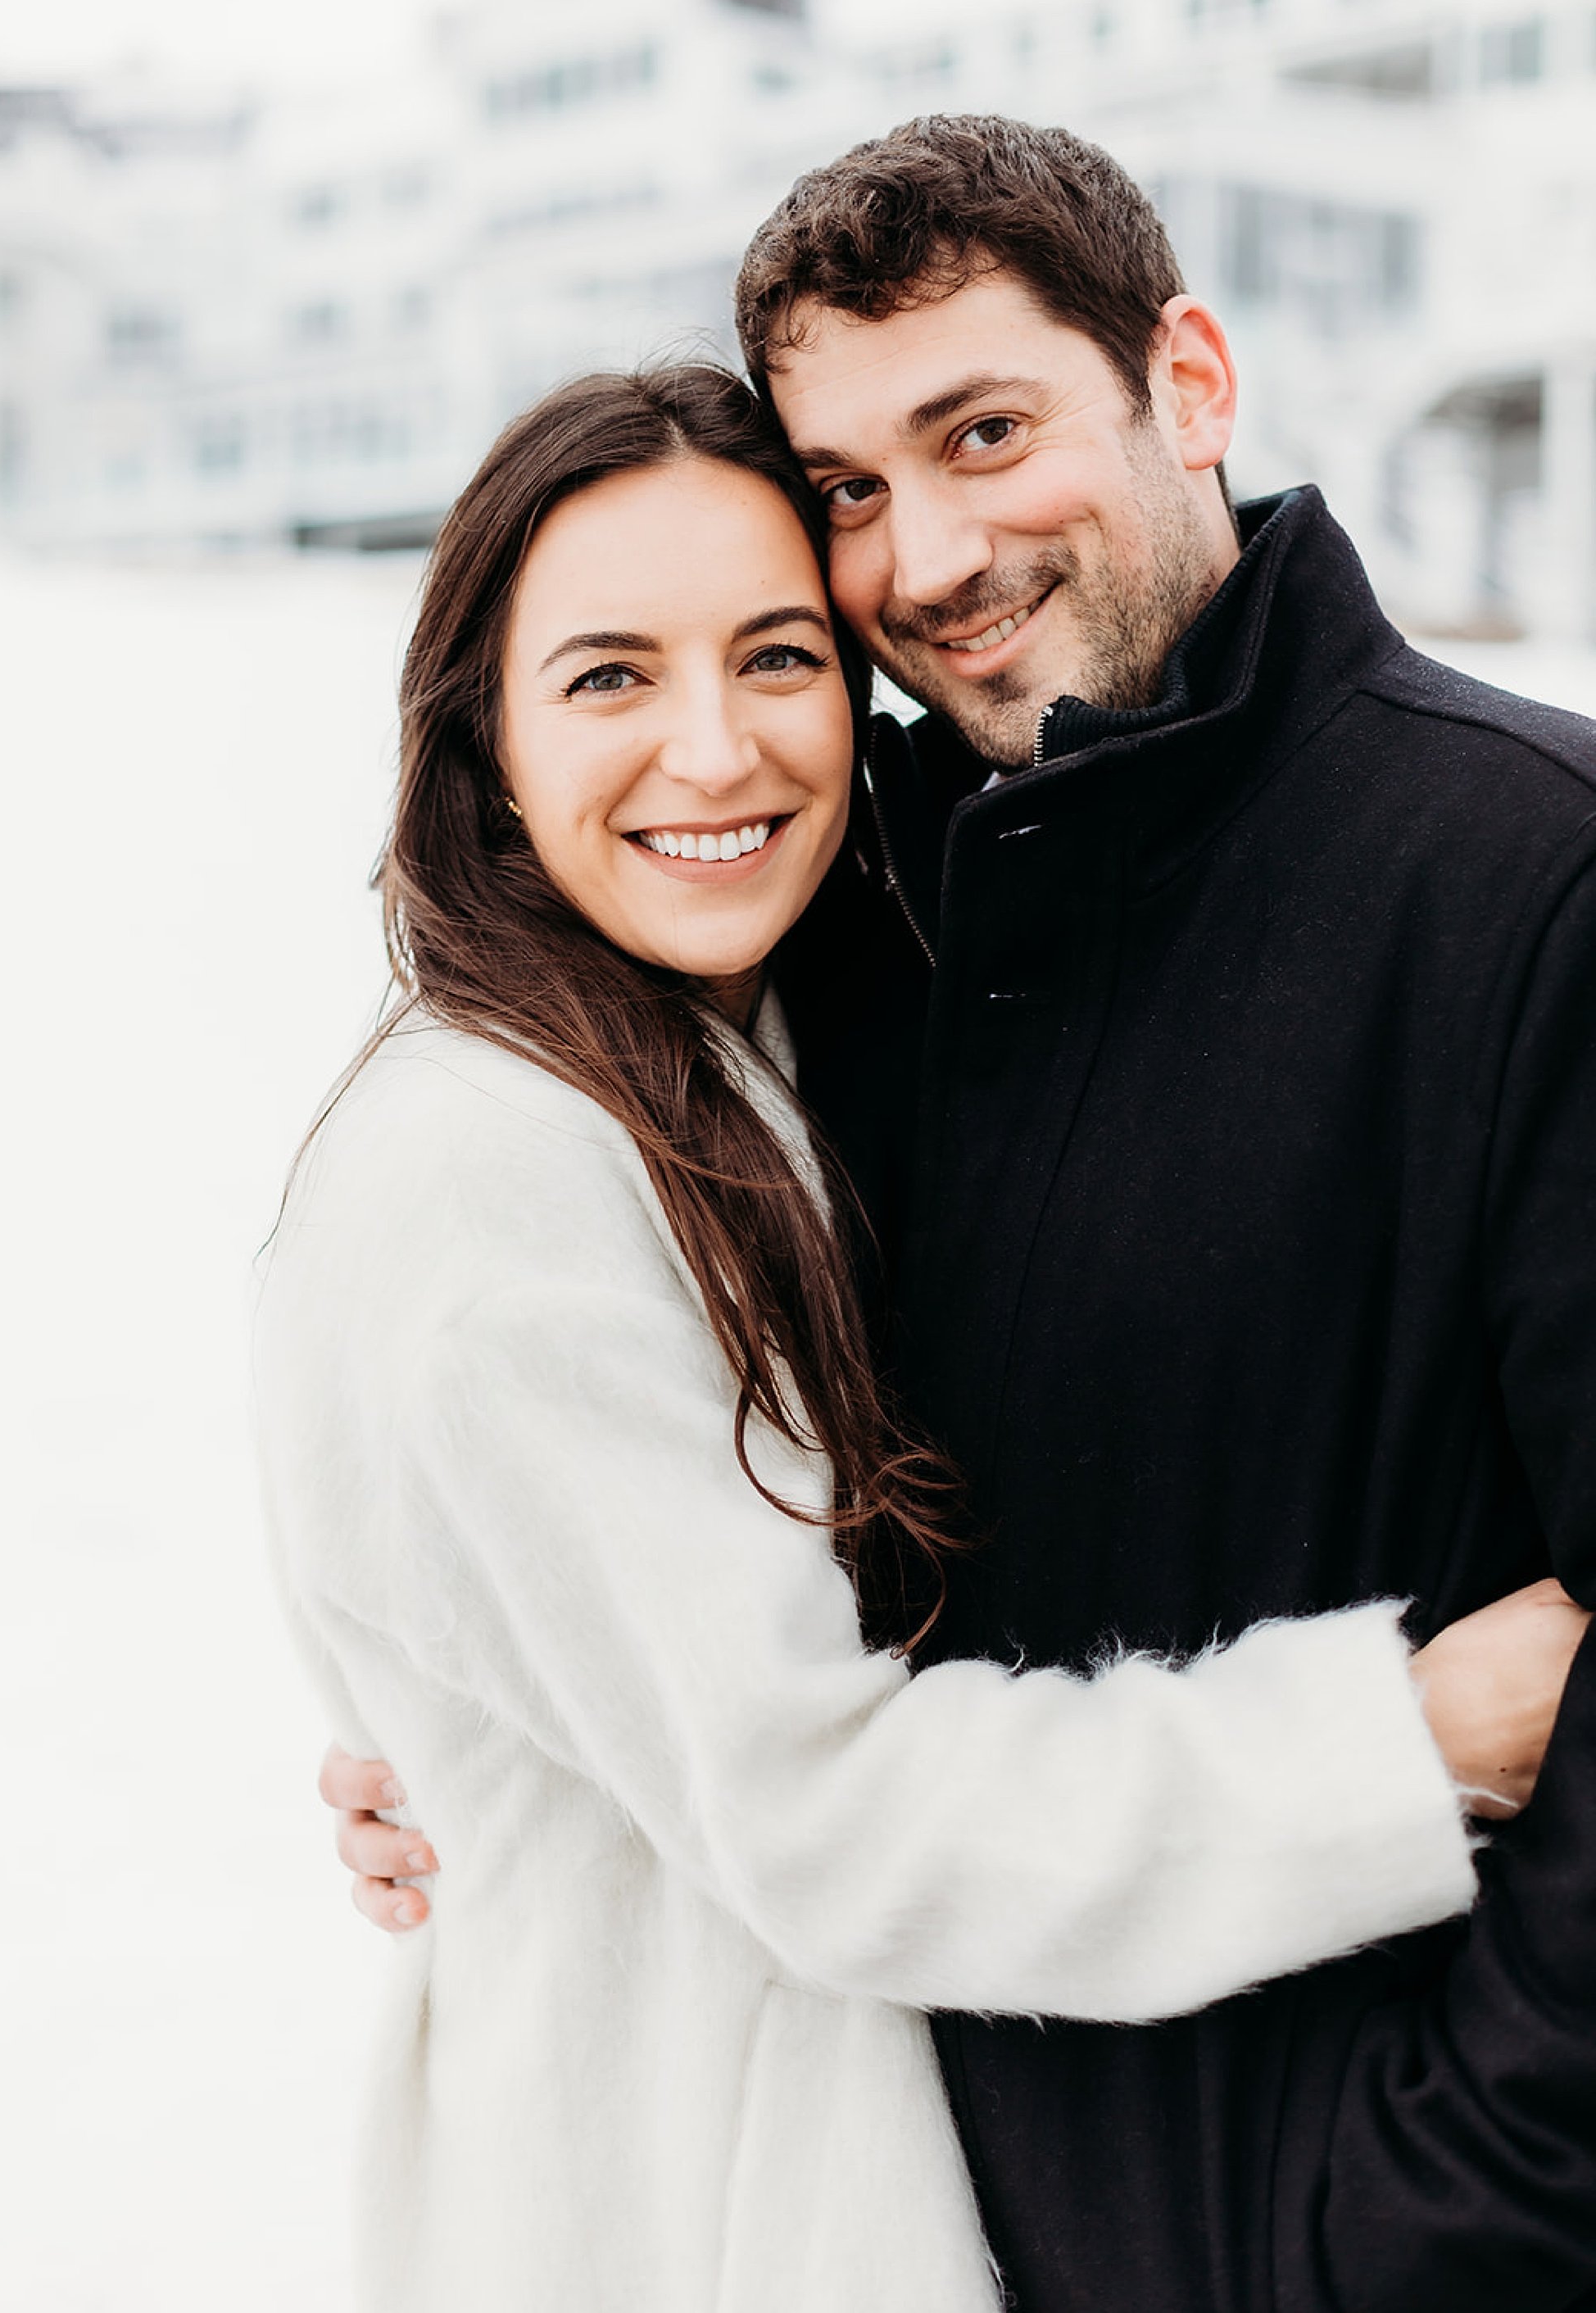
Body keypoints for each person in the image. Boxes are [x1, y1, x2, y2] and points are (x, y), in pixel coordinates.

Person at [331, 118, 1596, 2313]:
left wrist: (1426, 2235)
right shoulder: (852, 938)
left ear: (1189, 380)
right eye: (845, 489)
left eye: (986, 431)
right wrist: (529, 1733)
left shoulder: (1527, 878)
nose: (922, 553)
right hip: (910, 2229)